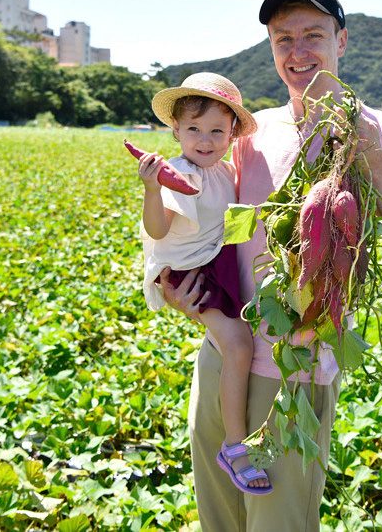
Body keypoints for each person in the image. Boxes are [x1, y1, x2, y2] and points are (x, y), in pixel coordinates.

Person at [161, 0, 382, 531]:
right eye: (282, 39)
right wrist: (180, 292)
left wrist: (373, 159)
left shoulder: (378, 132)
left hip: (295, 375)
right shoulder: (248, 133)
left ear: (342, 40)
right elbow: (205, 232)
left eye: (312, 35)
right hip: (224, 356)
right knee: (220, 519)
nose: (297, 52)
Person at [137, 72, 272, 495]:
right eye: (193, 129)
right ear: (175, 130)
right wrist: (150, 190)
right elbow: (158, 231)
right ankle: (234, 446)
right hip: (188, 271)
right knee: (238, 346)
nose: (205, 139)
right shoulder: (181, 174)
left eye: (217, 130)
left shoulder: (224, 171)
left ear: (232, 134)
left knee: (235, 343)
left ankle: (234, 439)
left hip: (213, 261)